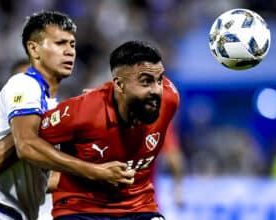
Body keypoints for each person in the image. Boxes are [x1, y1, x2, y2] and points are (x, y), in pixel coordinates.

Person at [0, 11, 134, 220]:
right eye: (60, 43)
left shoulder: (51, 107)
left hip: (11, 212)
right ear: (34, 49)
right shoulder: (24, 84)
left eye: (72, 45)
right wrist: (96, 172)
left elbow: (25, 158)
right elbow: (26, 146)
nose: (69, 52)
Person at [37, 40, 180, 219]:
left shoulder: (168, 100)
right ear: (119, 85)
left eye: (159, 80)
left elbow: (174, 156)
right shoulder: (82, 112)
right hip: (81, 208)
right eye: (146, 82)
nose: (157, 90)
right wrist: (92, 171)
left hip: (139, 207)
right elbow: (28, 143)